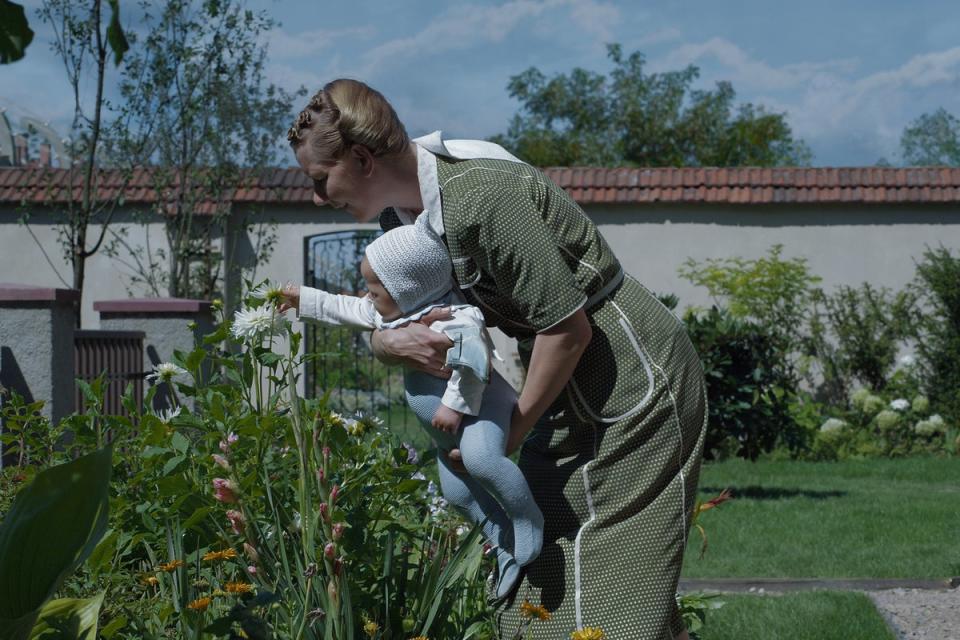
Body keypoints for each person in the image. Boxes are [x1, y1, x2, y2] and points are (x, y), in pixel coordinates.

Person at [286, 78, 707, 640]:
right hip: (558, 386)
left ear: (361, 158)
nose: (317, 197)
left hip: (632, 381)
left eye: (321, 180)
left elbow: (568, 330)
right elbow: (390, 319)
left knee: (610, 591)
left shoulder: (482, 197)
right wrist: (387, 343)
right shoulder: (402, 222)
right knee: (539, 568)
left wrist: (513, 432)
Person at [278, 216, 544, 600]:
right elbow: (346, 307)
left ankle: (526, 518)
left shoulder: (457, 318)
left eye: (374, 289)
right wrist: (302, 298)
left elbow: (475, 363)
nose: (367, 296)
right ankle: (501, 540)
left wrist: (453, 407)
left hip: (480, 411)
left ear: (407, 288)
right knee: (457, 494)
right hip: (445, 433)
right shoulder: (395, 314)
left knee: (484, 461)